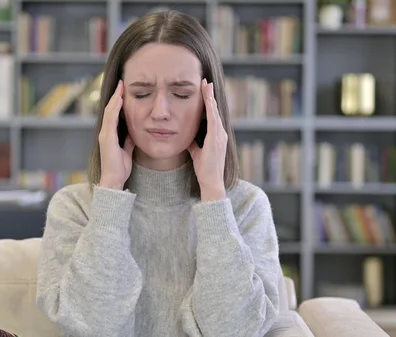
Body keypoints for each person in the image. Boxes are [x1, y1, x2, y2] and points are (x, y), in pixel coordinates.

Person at [36, 10, 282, 337]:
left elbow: (234, 330)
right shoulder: (74, 208)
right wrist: (110, 191)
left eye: (181, 94)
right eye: (141, 93)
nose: (160, 112)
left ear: (209, 105)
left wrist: (213, 194)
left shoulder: (246, 206)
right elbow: (92, 327)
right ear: (116, 103)